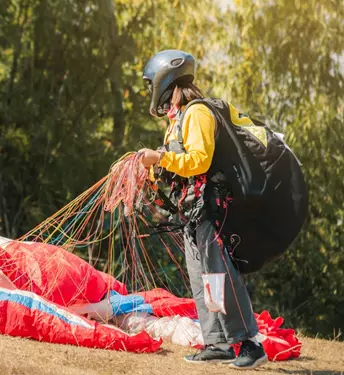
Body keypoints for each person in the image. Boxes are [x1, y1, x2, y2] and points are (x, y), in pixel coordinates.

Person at [138, 50, 269, 370]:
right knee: (203, 280)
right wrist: (146, 170)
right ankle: (217, 342)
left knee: (220, 275)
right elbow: (176, 168)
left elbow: (200, 161)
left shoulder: (197, 113)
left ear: (165, 82)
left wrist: (160, 158)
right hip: (192, 212)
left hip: (212, 208)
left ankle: (250, 343)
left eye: (150, 85)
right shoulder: (177, 121)